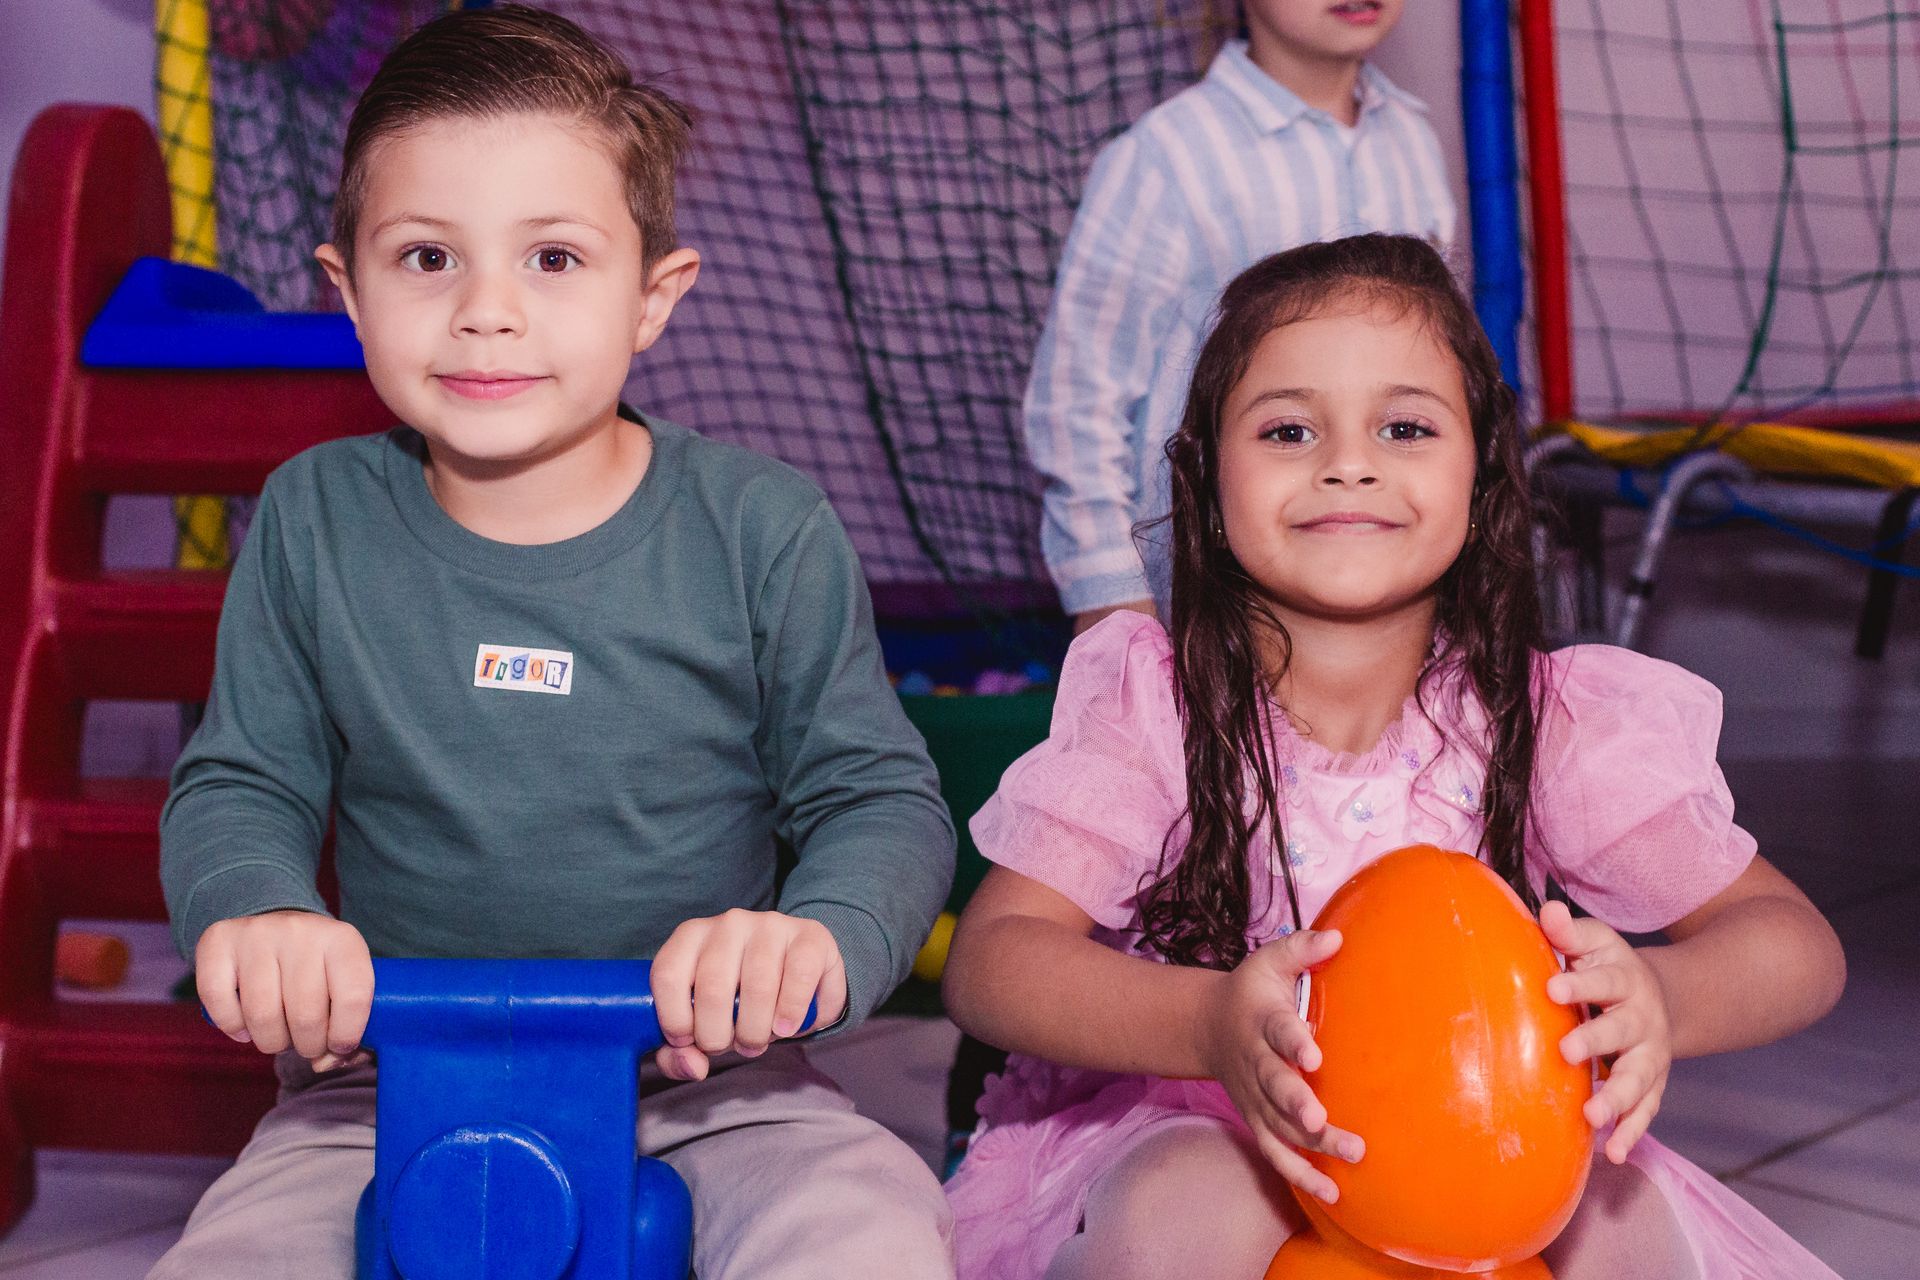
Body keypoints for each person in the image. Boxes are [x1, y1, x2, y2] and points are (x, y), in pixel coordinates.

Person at [151, 8, 956, 1277]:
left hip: (710, 1077)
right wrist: (254, 908)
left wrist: (815, 937)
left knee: (866, 1229)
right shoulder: (313, 515)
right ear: (347, 291)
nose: (485, 313)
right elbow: (240, 780)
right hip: (382, 1075)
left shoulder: (762, 527)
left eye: (554, 260)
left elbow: (881, 797)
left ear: (655, 295)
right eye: (426, 257)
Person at [943, 234, 1847, 1280]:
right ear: (1204, 475)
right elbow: (994, 958)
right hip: (1202, 1112)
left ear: (1482, 471)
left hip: (1477, 1133)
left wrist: (1660, 996)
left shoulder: (1546, 718)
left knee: (1631, 1222)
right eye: (1288, 428)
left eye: (1405, 425)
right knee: (1183, 1212)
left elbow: (1794, 943)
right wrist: (1207, 1024)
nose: (1348, 460)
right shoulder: (1156, 706)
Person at [1026, 0, 1455, 635]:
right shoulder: (1167, 157)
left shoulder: (1412, 138)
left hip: (1384, 571)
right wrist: (1109, 589)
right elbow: (1079, 398)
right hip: (1218, 593)